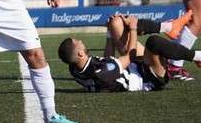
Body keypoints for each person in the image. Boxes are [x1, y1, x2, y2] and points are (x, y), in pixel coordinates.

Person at [58, 13, 199, 93]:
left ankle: (168, 27)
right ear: (80, 54)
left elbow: (107, 58)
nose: (81, 40)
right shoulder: (102, 71)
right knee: (154, 42)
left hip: (137, 66)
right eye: (78, 41)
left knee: (116, 23)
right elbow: (129, 57)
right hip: (149, 77)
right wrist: (133, 28)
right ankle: (196, 55)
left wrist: (109, 32)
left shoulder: (76, 68)